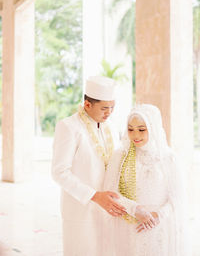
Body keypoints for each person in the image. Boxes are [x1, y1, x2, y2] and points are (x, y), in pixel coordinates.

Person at [51, 76, 126, 256]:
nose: (109, 112)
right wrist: (94, 196)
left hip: (108, 208)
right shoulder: (69, 127)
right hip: (81, 209)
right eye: (104, 108)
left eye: (113, 107)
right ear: (87, 105)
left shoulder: (112, 127)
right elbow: (59, 172)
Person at [103, 103, 190, 256]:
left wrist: (158, 216)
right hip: (129, 225)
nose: (135, 135)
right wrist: (135, 210)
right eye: (130, 129)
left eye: (142, 130)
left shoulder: (168, 158)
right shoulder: (120, 156)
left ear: (153, 127)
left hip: (159, 227)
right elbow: (110, 193)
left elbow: (178, 198)